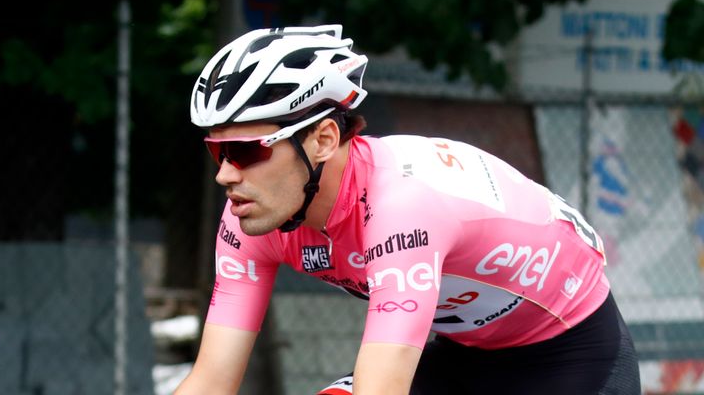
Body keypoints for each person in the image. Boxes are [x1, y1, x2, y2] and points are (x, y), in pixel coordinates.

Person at [174, 24, 641, 395]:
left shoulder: (401, 204)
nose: (226, 175)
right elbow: (211, 382)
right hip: (463, 356)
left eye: (247, 151)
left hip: (570, 355)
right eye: (219, 152)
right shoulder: (250, 217)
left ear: (322, 140)